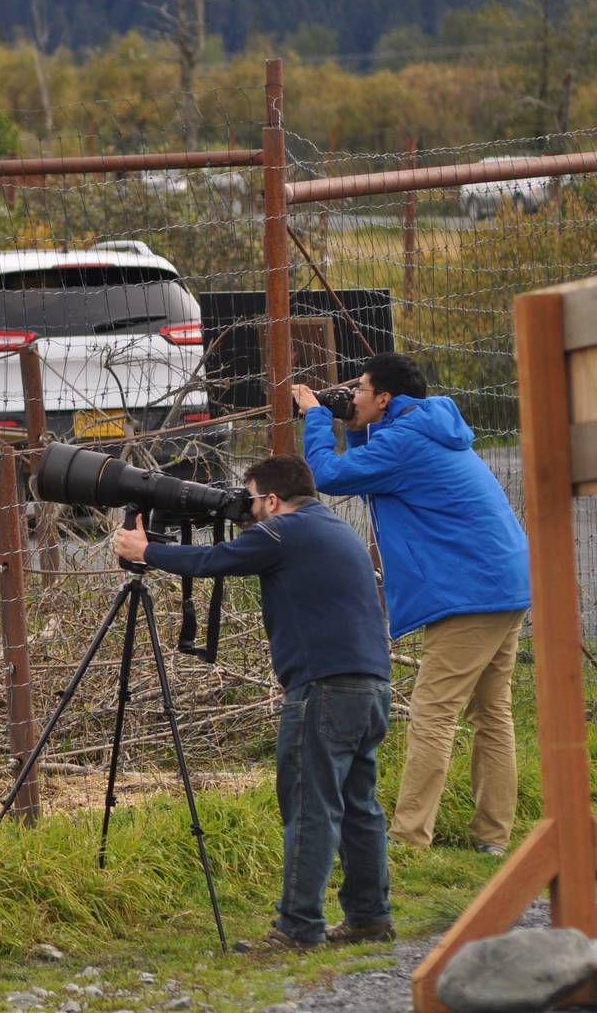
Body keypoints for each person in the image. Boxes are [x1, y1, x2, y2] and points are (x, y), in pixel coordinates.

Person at [112, 455, 393, 951]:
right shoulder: (331, 529)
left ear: (271, 499)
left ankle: (298, 928)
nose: (245, 507)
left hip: (321, 689)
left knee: (310, 807)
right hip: (370, 687)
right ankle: (370, 916)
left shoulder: (282, 533)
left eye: (250, 497)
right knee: (357, 807)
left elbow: (212, 561)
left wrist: (145, 551)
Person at [294, 354, 530, 856]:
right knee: (492, 712)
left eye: (358, 389)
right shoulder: (423, 427)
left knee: (433, 713)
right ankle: (491, 837)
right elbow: (367, 473)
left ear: (385, 399)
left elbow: (329, 475)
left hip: (470, 592)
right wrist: (355, 426)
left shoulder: (404, 441)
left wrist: (317, 414)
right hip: (501, 580)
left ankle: (408, 838)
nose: (350, 396)